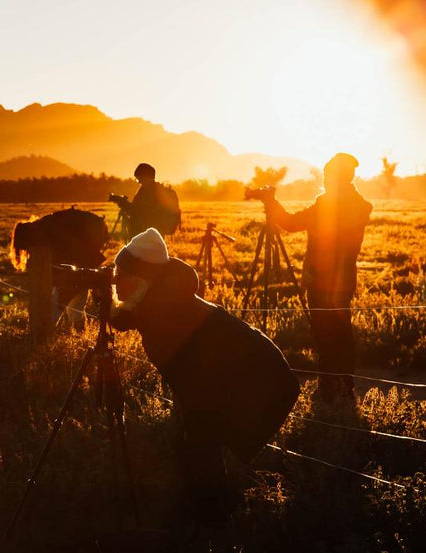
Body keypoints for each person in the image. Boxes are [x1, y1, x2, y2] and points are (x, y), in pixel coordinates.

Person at [110, 228, 299, 523]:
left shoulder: (164, 309)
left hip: (264, 380)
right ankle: (214, 515)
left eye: (119, 274)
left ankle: (216, 520)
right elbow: (131, 316)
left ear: (140, 279)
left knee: (201, 440)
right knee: (196, 440)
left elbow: (140, 319)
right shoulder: (163, 296)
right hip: (245, 375)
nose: (114, 281)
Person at [262, 152, 373, 401]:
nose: (324, 180)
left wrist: (271, 203)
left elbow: (290, 223)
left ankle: (329, 390)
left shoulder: (328, 206)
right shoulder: (360, 205)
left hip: (322, 280)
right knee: (341, 334)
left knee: (326, 337)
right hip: (344, 280)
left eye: (327, 175)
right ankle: (343, 387)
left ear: (336, 178)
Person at [112, 163, 182, 237]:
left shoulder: (149, 192)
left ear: (146, 178)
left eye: (139, 179)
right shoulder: (154, 190)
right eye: (137, 179)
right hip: (152, 234)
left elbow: (137, 212)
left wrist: (122, 203)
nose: (139, 182)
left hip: (146, 234)